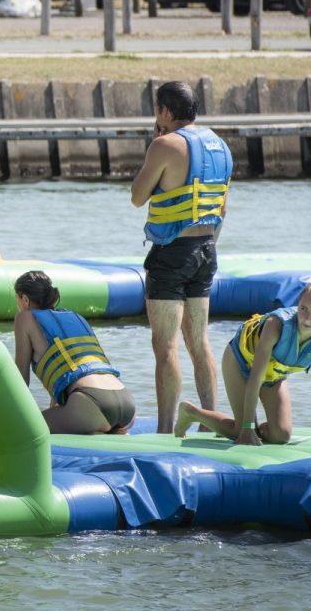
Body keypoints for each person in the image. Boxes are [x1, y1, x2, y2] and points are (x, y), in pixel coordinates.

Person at [131, 80, 232, 433]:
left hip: (172, 253)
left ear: (165, 112)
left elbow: (138, 196)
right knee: (198, 339)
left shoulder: (164, 145)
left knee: (166, 346)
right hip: (207, 249)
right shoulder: (219, 144)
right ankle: (211, 419)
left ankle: (164, 428)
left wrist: (153, 140)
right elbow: (222, 207)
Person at [175, 281, 311, 445]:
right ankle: (191, 413)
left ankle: (231, 426)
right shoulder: (275, 325)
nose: (307, 318)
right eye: (303, 309)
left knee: (281, 436)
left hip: (274, 374)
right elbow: (256, 376)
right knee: (242, 430)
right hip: (240, 363)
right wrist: (246, 428)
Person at [13, 271, 135, 434]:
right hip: (127, 404)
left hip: (90, 403)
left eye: (17, 298)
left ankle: (94, 428)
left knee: (20, 429)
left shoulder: (25, 318)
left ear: (25, 299)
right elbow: (68, 374)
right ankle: (101, 428)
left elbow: (20, 380)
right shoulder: (75, 317)